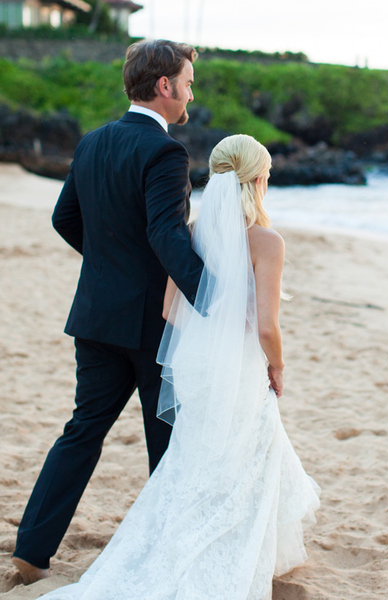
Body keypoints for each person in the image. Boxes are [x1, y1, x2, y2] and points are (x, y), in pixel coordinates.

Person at [27, 134, 320, 600]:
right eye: (267, 174)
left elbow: (169, 309)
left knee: (190, 457)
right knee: (240, 458)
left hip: (196, 367)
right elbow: (267, 327)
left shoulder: (193, 234)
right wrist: (278, 365)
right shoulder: (267, 241)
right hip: (237, 367)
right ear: (258, 180)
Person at [12, 39, 204, 585]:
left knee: (82, 432)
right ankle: (165, 557)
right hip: (152, 326)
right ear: (164, 87)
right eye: (188, 81)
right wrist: (213, 300)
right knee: (165, 440)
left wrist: (107, 267)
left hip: (96, 317)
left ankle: (30, 553)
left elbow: (63, 217)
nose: (192, 91)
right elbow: (166, 235)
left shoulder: (93, 142)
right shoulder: (166, 153)